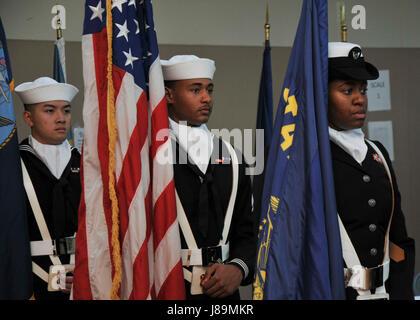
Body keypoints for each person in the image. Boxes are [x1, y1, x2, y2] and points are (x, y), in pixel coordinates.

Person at [161, 55, 256, 300]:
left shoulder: (233, 158)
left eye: (209, 89)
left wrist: (238, 268)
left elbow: (247, 231)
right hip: (169, 288)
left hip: (224, 292)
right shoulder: (150, 157)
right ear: (169, 95)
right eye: (195, 90)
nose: (206, 98)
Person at [327, 42, 415, 300]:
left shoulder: (377, 153)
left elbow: (398, 238)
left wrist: (401, 293)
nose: (359, 99)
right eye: (347, 90)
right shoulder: (308, 159)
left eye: (363, 90)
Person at [15, 76, 80, 300]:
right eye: (50, 111)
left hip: (84, 273)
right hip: (29, 278)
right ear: (28, 117)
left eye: (67, 110)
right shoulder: (12, 165)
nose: (61, 118)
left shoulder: (86, 162)